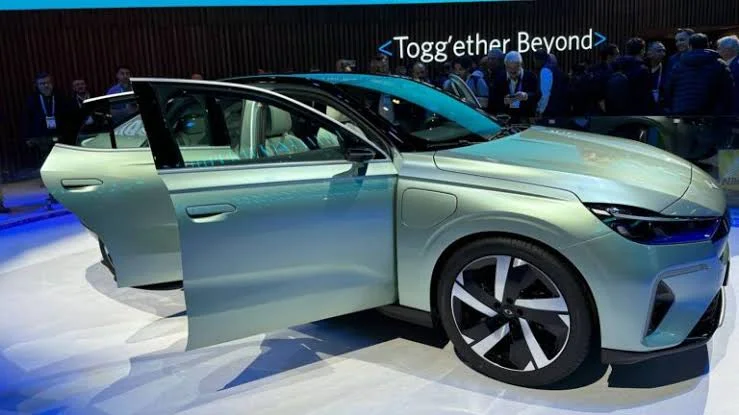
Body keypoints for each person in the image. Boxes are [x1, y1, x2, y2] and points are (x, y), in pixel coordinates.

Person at [663, 33, 733, 116]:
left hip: (682, 110)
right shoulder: (719, 64)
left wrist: (672, 106)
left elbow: (669, 88)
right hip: (710, 112)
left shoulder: (679, 64)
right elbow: (728, 89)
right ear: (707, 45)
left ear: (690, 46)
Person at [607, 38, 653, 115]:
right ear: (642, 50)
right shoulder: (643, 69)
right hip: (635, 112)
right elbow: (645, 96)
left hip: (614, 112)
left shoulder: (614, 65)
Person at [491, 51, 538, 121]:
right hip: (506, 117)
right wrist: (504, 101)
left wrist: (526, 96)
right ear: (505, 66)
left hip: (525, 117)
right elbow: (493, 99)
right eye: (509, 68)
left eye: (515, 68)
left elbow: (537, 95)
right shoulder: (499, 78)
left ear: (521, 65)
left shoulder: (531, 76)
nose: (512, 71)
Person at [533, 50, 569, 117]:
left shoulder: (545, 70)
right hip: (561, 109)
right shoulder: (557, 69)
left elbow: (545, 94)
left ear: (539, 60)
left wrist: (540, 110)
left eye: (535, 60)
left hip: (550, 110)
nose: (534, 62)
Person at [587, 43, 619, 114]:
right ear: (609, 56)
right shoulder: (609, 71)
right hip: (603, 109)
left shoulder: (592, 68)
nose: (618, 57)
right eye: (617, 54)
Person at [717, 34, 739, 114]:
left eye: (719, 48)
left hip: (734, 112)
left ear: (728, 50)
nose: (717, 51)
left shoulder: (736, 66)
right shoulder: (731, 64)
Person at [646, 41, 668, 111]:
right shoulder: (642, 69)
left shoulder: (667, 69)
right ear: (649, 53)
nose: (663, 54)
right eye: (659, 51)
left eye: (664, 51)